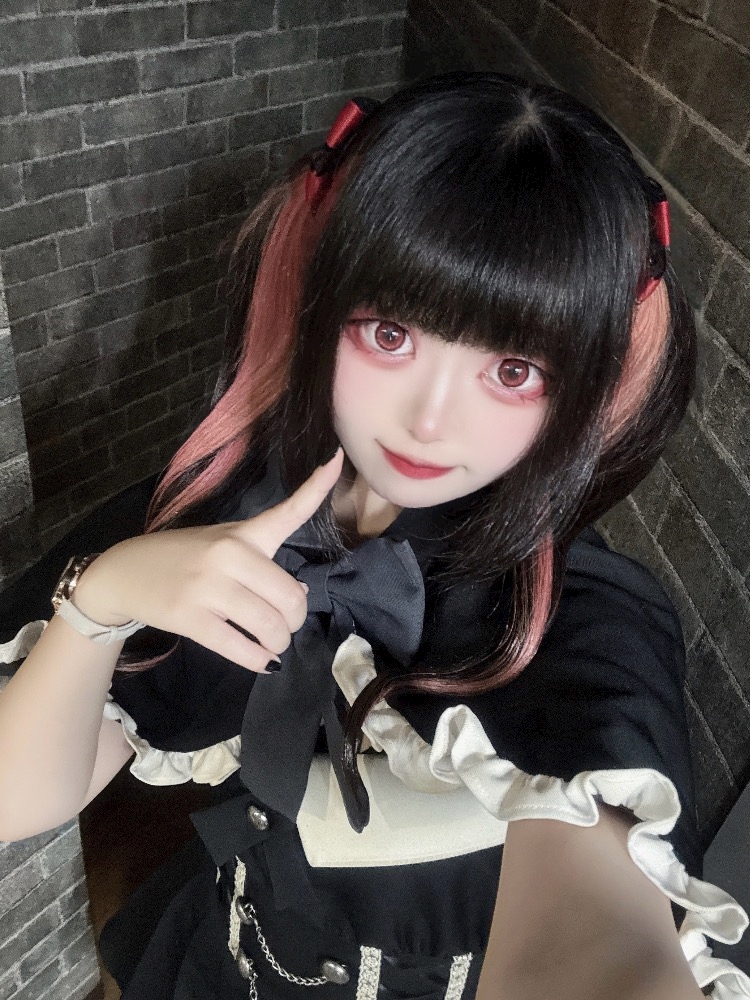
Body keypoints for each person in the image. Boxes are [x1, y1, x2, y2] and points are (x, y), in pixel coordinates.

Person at [0, 71, 747, 1000]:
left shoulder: (580, 618)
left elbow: (604, 953)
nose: (430, 420)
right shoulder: (209, 517)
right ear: (318, 303)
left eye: (513, 370)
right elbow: (18, 799)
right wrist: (103, 599)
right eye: (390, 334)